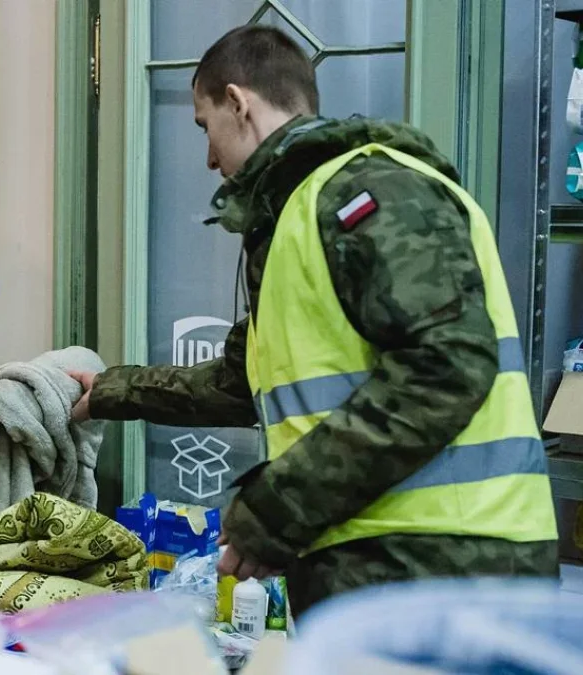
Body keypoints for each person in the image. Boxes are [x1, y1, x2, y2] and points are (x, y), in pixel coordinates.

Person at [70, 25, 559, 616]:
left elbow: (445, 367)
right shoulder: (297, 218)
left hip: (447, 573)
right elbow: (240, 382)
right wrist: (112, 391)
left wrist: (275, 509)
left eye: (204, 126)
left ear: (237, 102)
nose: (206, 158)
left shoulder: (368, 190)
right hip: (385, 569)